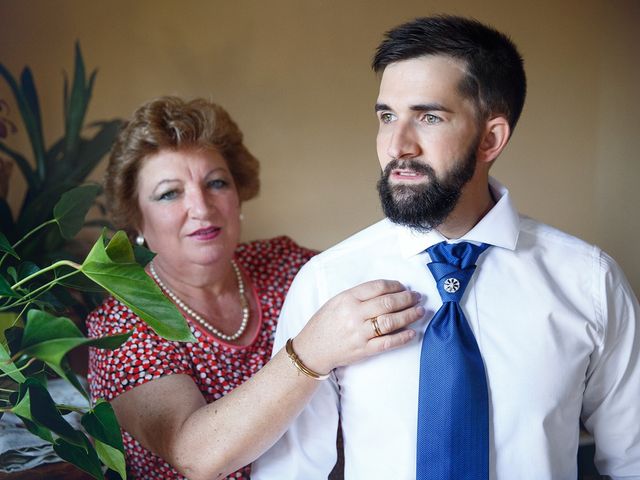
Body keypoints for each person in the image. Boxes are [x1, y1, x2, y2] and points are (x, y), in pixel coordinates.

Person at [252, 15, 640, 480]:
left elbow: (632, 461)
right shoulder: (329, 281)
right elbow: (291, 473)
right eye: (387, 116)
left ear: (490, 138)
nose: (397, 145)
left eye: (429, 117)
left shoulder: (589, 282)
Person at [86, 96, 423, 480]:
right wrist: (311, 351)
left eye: (215, 183)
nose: (201, 207)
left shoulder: (285, 264)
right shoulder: (120, 325)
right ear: (137, 222)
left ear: (238, 195)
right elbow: (196, 455)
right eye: (169, 193)